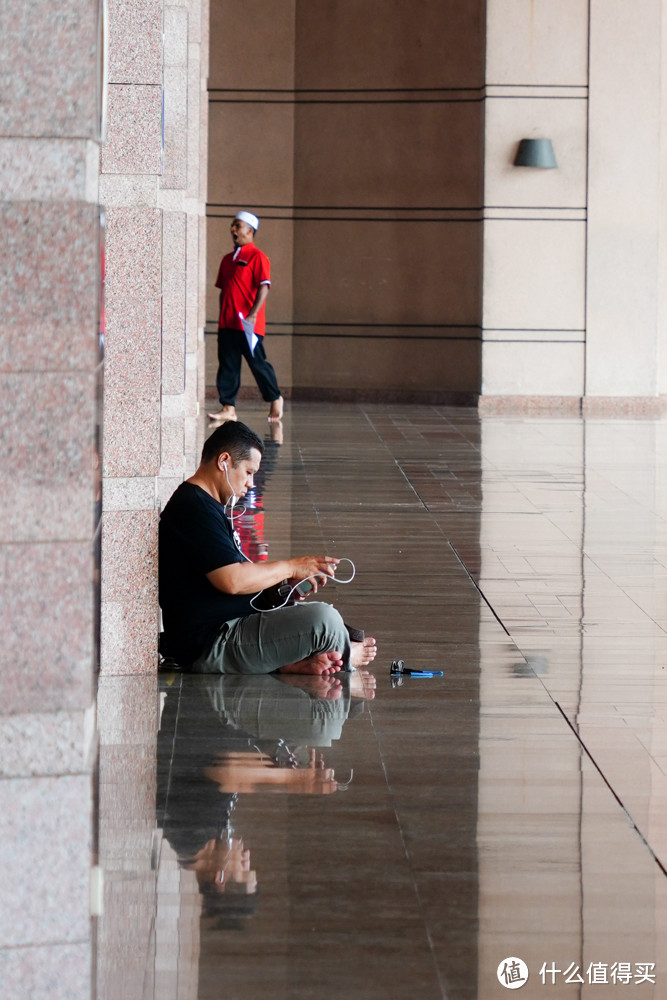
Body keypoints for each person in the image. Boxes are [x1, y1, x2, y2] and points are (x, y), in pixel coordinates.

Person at [158, 421, 377, 675]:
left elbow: (234, 578)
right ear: (224, 462)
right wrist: (290, 567)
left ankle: (289, 663)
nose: (251, 483)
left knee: (328, 615)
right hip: (211, 642)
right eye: (249, 472)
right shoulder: (192, 507)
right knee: (325, 623)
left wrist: (281, 589)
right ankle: (344, 656)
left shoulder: (209, 506)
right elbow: (232, 580)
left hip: (233, 626)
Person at [208, 210, 284, 425]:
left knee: (257, 363)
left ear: (250, 231)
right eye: (233, 225)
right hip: (228, 323)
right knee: (228, 365)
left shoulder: (257, 257)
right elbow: (224, 290)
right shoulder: (227, 260)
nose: (233, 229)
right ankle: (228, 407)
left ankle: (275, 397)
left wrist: (253, 314)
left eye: (238, 226)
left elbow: (264, 287)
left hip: (248, 323)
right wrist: (221, 316)